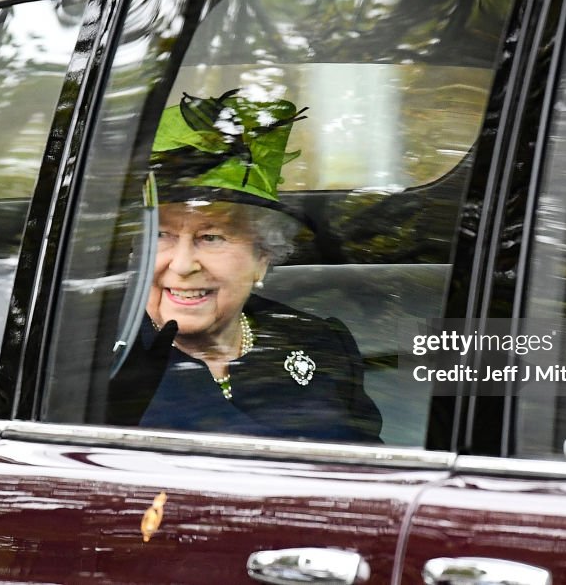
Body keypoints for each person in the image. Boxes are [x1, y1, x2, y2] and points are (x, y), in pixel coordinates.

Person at [107, 88, 382, 443]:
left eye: (212, 237)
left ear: (262, 257)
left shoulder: (320, 343)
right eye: (161, 235)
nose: (183, 264)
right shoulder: (100, 357)